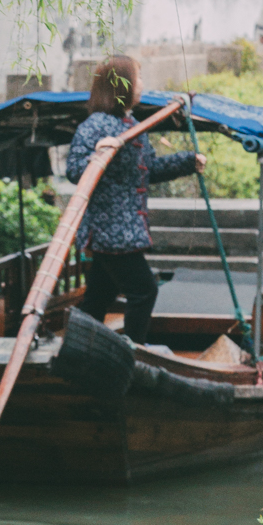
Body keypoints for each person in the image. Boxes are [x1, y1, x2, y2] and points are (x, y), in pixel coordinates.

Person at [66, 55, 203, 344]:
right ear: (122, 85)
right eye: (138, 78)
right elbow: (75, 170)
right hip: (111, 231)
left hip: (126, 227)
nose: (142, 84)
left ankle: (78, 346)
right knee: (145, 291)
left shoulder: (132, 123)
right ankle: (132, 350)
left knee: (98, 296)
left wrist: (188, 162)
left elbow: (149, 168)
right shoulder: (96, 125)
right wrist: (98, 154)